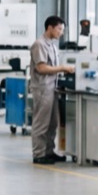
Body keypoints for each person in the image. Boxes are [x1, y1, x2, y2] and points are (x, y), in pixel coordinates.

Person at [29, 16, 73, 164]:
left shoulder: (53, 46)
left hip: (52, 88)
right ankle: (38, 154)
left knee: (52, 123)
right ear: (50, 28)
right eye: (59, 29)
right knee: (41, 122)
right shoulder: (39, 44)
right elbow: (41, 68)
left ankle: (49, 151)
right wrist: (62, 68)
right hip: (42, 88)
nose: (61, 32)